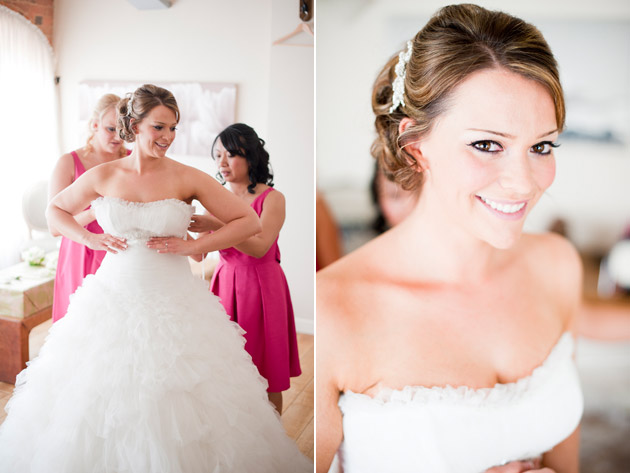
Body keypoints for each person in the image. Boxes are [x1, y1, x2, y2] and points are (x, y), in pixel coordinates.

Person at [317, 5, 583, 473]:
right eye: (486, 145)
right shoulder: (333, 311)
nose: (523, 183)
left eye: (541, 146)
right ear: (414, 146)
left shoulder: (558, 264)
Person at [0, 84, 312, 473]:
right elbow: (55, 212)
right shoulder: (104, 174)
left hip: (175, 296)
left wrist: (193, 246)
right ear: (134, 124)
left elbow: (248, 221)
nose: (167, 137)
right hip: (112, 295)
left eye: (173, 129)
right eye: (159, 127)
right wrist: (90, 237)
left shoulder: (187, 177)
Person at [188, 123, 301, 415]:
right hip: (225, 285)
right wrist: (176, 219)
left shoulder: (272, 199)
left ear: (250, 156)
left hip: (263, 286)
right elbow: (198, 256)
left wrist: (217, 225)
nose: (222, 163)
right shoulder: (215, 198)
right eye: (217, 156)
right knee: (226, 367)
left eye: (231, 154)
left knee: (266, 373)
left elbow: (261, 246)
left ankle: (275, 438)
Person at [48, 93, 128, 322]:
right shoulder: (68, 163)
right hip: (80, 249)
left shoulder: (131, 161)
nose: (118, 137)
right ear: (94, 125)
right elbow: (54, 227)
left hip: (119, 249)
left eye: (123, 131)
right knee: (81, 324)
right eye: (111, 129)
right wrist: (95, 212)